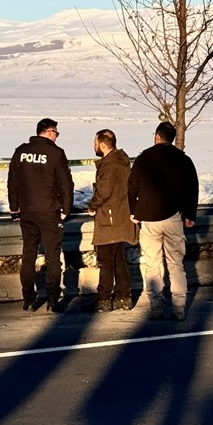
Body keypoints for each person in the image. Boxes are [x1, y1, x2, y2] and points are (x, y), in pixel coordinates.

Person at [128, 121, 199, 321]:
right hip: (173, 217)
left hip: (148, 218)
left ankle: (156, 307)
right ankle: (179, 307)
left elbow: (132, 186)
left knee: (152, 264)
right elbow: (192, 188)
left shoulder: (144, 158)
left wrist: (134, 211)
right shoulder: (183, 160)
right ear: (172, 138)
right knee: (176, 264)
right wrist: (190, 215)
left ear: (157, 137)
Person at [7, 118, 74, 312]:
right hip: (49, 211)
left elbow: (13, 181)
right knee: (53, 257)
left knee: (29, 255)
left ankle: (28, 299)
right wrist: (66, 210)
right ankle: (53, 300)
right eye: (56, 133)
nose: (57, 137)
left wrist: (14, 208)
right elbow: (66, 184)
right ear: (49, 132)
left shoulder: (20, 152)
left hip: (27, 211)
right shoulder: (55, 153)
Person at [87, 128, 135, 311]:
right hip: (121, 217)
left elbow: (104, 191)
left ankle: (103, 299)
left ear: (102, 144)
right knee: (118, 260)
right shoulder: (121, 162)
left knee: (106, 261)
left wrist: (92, 206)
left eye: (94, 142)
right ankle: (124, 297)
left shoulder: (109, 165)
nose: (93, 146)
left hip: (110, 219)